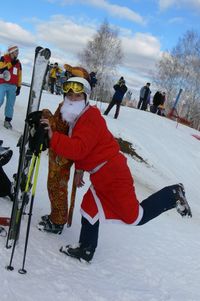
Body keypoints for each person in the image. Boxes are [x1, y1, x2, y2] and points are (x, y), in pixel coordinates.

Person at [39, 72, 192, 263]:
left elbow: (79, 148)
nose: (72, 98)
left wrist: (53, 137)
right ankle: (86, 249)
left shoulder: (91, 117)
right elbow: (86, 147)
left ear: (85, 96)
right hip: (101, 174)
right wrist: (79, 170)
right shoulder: (77, 117)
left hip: (113, 175)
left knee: (135, 217)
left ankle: (172, 193)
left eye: (77, 95)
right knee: (89, 209)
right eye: (69, 94)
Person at [38, 66, 91, 234]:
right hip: (57, 153)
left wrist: (80, 170)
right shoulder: (66, 103)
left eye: (77, 90)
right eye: (68, 87)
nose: (72, 93)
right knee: (52, 185)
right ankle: (55, 215)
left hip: (64, 156)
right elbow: (58, 125)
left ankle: (58, 221)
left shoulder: (80, 112)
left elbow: (81, 143)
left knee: (57, 187)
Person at [0, 45, 22, 129]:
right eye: (16, 51)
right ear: (11, 52)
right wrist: (11, 64)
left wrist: (19, 87)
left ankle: (7, 121)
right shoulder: (3, 58)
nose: (18, 53)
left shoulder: (19, 63)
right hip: (2, 83)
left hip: (12, 86)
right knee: (0, 99)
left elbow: (19, 75)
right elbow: (1, 69)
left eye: (18, 51)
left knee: (10, 104)